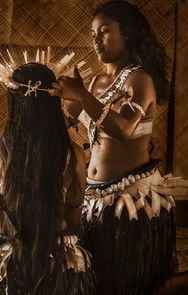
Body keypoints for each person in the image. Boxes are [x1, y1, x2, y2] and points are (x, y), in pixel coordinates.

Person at [51, 1, 179, 295]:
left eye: (105, 32)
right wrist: (48, 95)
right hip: (92, 195)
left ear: (129, 34)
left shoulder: (140, 80)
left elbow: (122, 131)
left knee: (137, 287)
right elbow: (65, 123)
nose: (96, 40)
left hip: (130, 199)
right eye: (93, 33)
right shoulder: (95, 82)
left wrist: (81, 96)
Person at [0, 62, 95, 295]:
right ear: (54, 102)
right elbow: (74, 214)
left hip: (1, 255)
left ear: (12, 100)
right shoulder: (72, 152)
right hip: (56, 254)